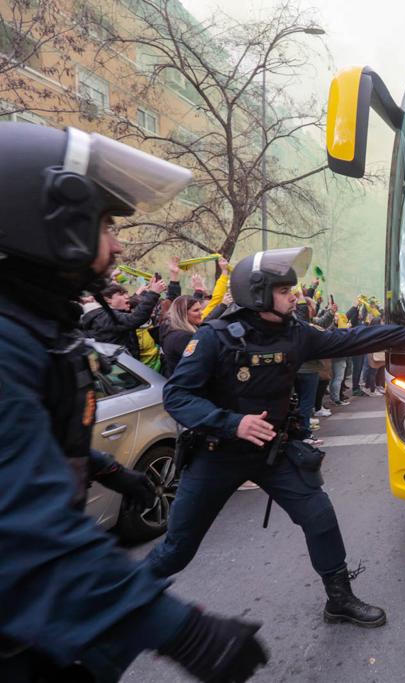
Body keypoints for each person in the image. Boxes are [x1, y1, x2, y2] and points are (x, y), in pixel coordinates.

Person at [0, 122, 267, 681]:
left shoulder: (36, 329)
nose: (120, 244)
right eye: (104, 224)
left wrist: (107, 470)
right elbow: (26, 531)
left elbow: (33, 443)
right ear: (55, 223)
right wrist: (184, 630)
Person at [147, 246, 405, 628]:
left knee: (320, 517)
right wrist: (233, 422)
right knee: (176, 550)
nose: (295, 296)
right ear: (259, 293)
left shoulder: (296, 334)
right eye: (285, 291)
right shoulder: (214, 338)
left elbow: (350, 338)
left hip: (273, 453)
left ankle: (339, 600)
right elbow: (177, 396)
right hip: (218, 454)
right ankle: (121, 600)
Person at [82, 278, 166, 359]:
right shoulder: (105, 317)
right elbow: (135, 318)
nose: (127, 297)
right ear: (107, 299)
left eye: (126, 293)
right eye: (121, 294)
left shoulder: (104, 313)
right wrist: (153, 293)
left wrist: (149, 291)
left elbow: (135, 308)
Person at [161, 296, 205, 377]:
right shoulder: (183, 337)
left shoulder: (172, 330)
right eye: (196, 310)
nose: (201, 313)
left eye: (200, 309)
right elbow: (197, 365)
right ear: (183, 313)